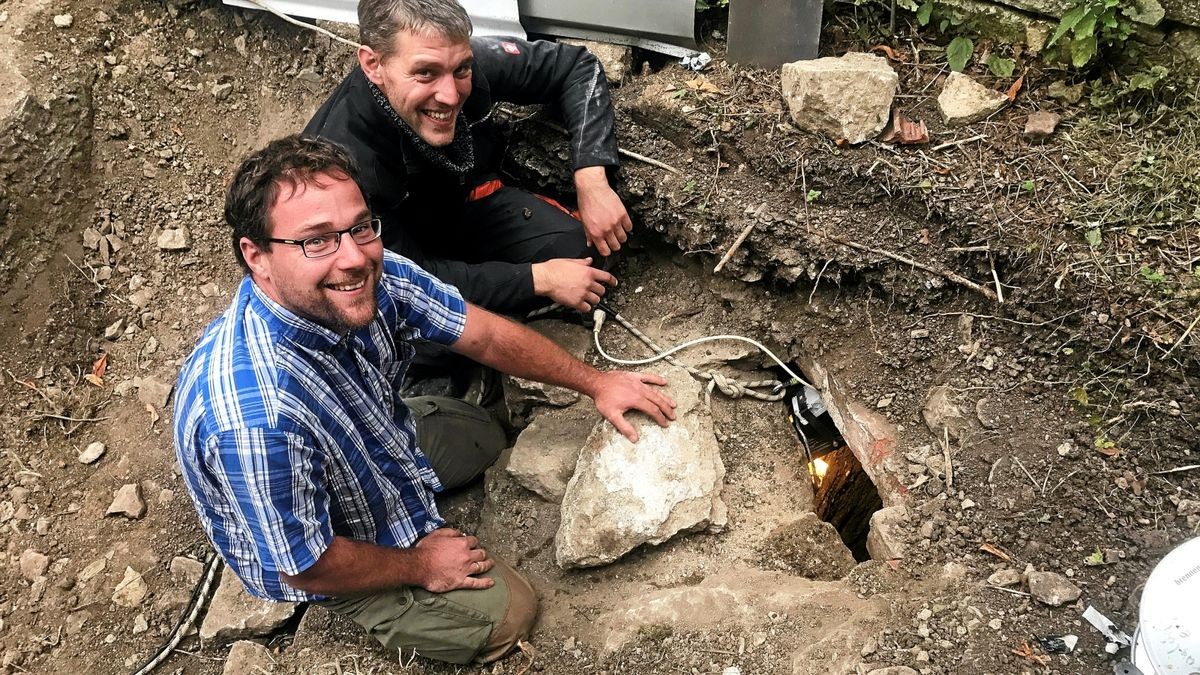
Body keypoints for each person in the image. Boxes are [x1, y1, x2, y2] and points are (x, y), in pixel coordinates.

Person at [172, 135, 675, 665]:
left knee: (483, 433)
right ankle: (371, 603)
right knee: (513, 613)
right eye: (316, 241)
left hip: (370, 436)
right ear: (258, 257)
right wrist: (420, 565)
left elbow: (481, 334)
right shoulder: (255, 421)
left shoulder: (374, 271)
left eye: (360, 226)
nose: (353, 258)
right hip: (322, 552)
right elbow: (304, 562)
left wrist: (597, 382)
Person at [304, 0, 631, 316]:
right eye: (425, 74)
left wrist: (591, 177)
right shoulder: (341, 166)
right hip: (398, 261)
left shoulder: (463, 62)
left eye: (461, 68)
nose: (450, 95)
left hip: (460, 208)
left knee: (583, 255)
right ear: (373, 65)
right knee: (424, 331)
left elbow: (577, 67)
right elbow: (406, 281)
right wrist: (538, 280)